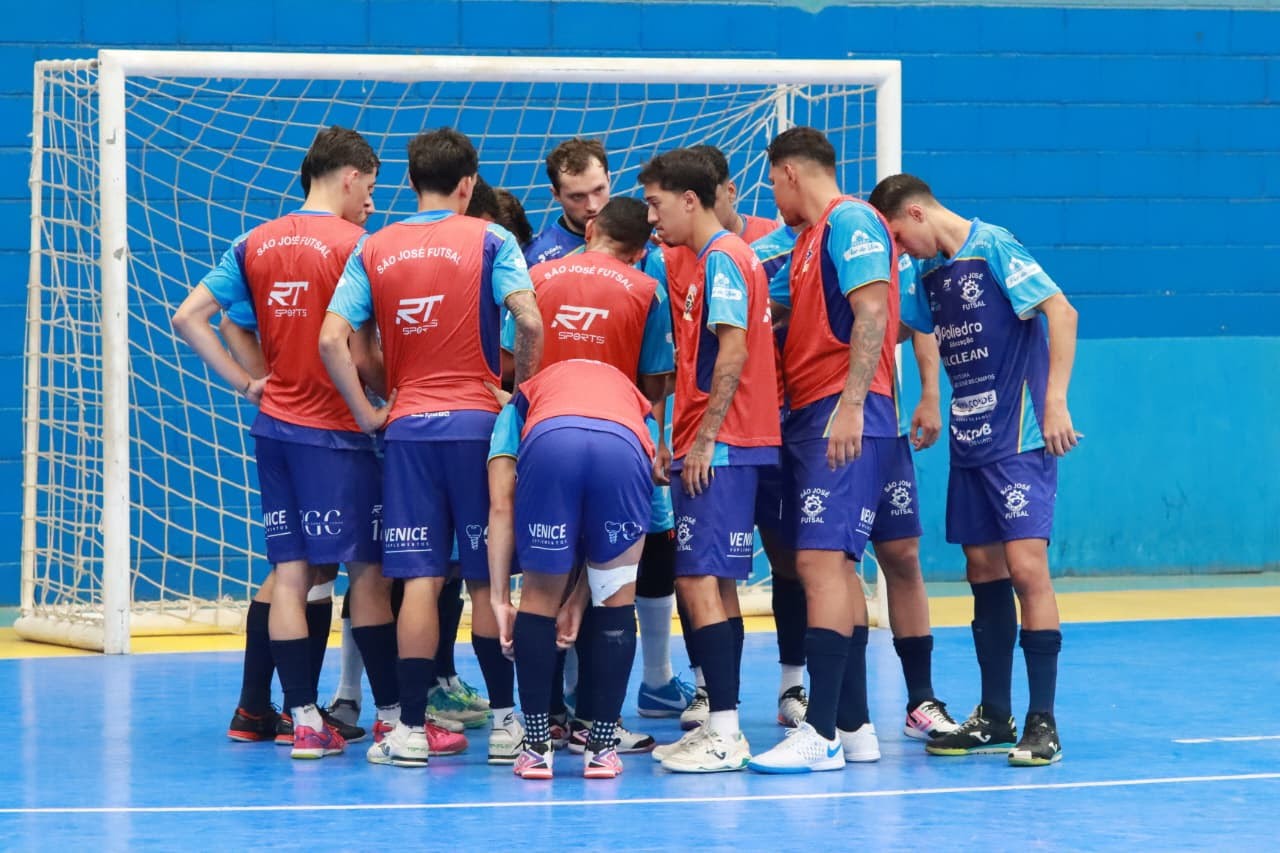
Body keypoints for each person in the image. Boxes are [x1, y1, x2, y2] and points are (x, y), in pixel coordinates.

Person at [320, 126, 543, 768]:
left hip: (411, 428)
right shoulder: (492, 238)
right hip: (478, 426)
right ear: (469, 184)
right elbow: (529, 320)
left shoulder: (375, 246)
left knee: (418, 581)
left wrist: (369, 412)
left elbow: (334, 339)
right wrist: (514, 392)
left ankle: (411, 731)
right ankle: (507, 725)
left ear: (412, 181)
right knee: (486, 577)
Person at [172, 125, 387, 760]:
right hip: (338, 433)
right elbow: (365, 357)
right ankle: (396, 717)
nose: (370, 200)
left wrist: (250, 384)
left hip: (275, 430)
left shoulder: (253, 242)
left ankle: (286, 714)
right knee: (366, 572)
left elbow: (190, 317)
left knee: (293, 572)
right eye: (369, 188)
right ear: (349, 177)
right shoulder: (358, 247)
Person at [869, 173, 1079, 767]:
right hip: (969, 433)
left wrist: (1056, 399)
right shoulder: (928, 272)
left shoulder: (993, 246)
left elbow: (1061, 311)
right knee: (981, 568)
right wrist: (931, 396)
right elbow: (920, 330)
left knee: (1024, 566)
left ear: (916, 213)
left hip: (1019, 433)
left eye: (900, 239)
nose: (902, 252)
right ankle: (995, 715)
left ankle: (1043, 721)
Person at [752, 226, 962, 743]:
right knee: (820, 565)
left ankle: (919, 701)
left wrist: (931, 394)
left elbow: (912, 322)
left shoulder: (860, 241)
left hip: (876, 426)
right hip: (803, 430)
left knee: (901, 556)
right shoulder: (768, 257)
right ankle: (840, 712)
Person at [747, 126, 899, 773]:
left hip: (842, 410)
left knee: (819, 564)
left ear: (787, 174)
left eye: (773, 185)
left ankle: (823, 734)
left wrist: (854, 403)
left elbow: (872, 312)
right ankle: (855, 723)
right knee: (830, 566)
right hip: (815, 413)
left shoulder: (851, 220)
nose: (774, 198)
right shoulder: (807, 241)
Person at [510, 196, 674, 755]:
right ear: (645, 247)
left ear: (592, 226)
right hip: (620, 439)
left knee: (538, 589)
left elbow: (510, 368)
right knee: (611, 591)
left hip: (541, 434)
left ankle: (541, 729)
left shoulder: (536, 276)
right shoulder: (647, 291)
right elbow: (655, 386)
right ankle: (602, 735)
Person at [639, 148, 780, 774]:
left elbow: (732, 354)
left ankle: (725, 731)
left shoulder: (723, 258)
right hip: (720, 441)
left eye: (656, 202)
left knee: (697, 580)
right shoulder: (710, 261)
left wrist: (703, 440)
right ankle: (721, 724)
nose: (650, 216)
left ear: (689, 200)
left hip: (724, 445)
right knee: (711, 581)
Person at [488, 359, 657, 780]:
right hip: (624, 444)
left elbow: (500, 504)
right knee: (616, 595)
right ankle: (601, 747)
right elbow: (606, 541)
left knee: (540, 598)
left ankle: (536, 748)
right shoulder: (635, 399)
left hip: (551, 442)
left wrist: (499, 599)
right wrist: (585, 596)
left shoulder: (524, 398)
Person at [524, 137, 612, 266]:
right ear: (556, 194)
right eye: (577, 196)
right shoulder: (538, 258)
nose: (592, 206)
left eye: (598, 190)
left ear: (609, 179)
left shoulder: (637, 237)